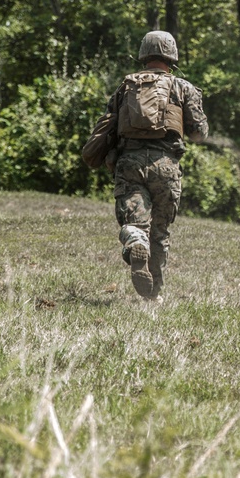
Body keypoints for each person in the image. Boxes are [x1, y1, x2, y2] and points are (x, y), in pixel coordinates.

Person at [87, 30, 208, 300]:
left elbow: (108, 124)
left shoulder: (126, 86)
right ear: (172, 55)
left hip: (129, 162)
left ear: (143, 54)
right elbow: (200, 133)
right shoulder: (182, 87)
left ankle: (134, 235)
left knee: (136, 222)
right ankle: (154, 295)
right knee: (160, 231)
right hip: (165, 165)